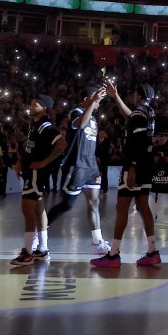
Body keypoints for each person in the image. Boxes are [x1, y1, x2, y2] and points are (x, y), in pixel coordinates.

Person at [92, 82, 160, 268]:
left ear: (138, 95)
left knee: (122, 208)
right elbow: (131, 116)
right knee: (143, 206)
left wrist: (132, 168)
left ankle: (113, 255)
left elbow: (136, 143)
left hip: (134, 166)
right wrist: (115, 96)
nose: (132, 96)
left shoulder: (139, 113)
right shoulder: (148, 112)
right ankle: (153, 252)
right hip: (146, 166)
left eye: (134, 93)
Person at [46, 85, 110, 255]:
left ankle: (97, 242)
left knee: (94, 203)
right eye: (96, 99)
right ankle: (40, 233)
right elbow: (81, 124)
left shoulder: (95, 119)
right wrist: (92, 103)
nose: (98, 103)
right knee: (67, 205)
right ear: (86, 99)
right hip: (77, 166)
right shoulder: (76, 112)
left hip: (91, 167)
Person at [10, 95, 65, 266]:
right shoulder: (34, 126)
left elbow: (62, 144)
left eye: (36, 105)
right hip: (31, 170)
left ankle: (27, 251)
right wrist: (20, 163)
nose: (31, 107)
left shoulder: (46, 127)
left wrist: (44, 162)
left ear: (45, 109)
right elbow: (29, 149)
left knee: (27, 208)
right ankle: (42, 248)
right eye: (31, 104)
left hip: (36, 172)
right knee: (39, 210)